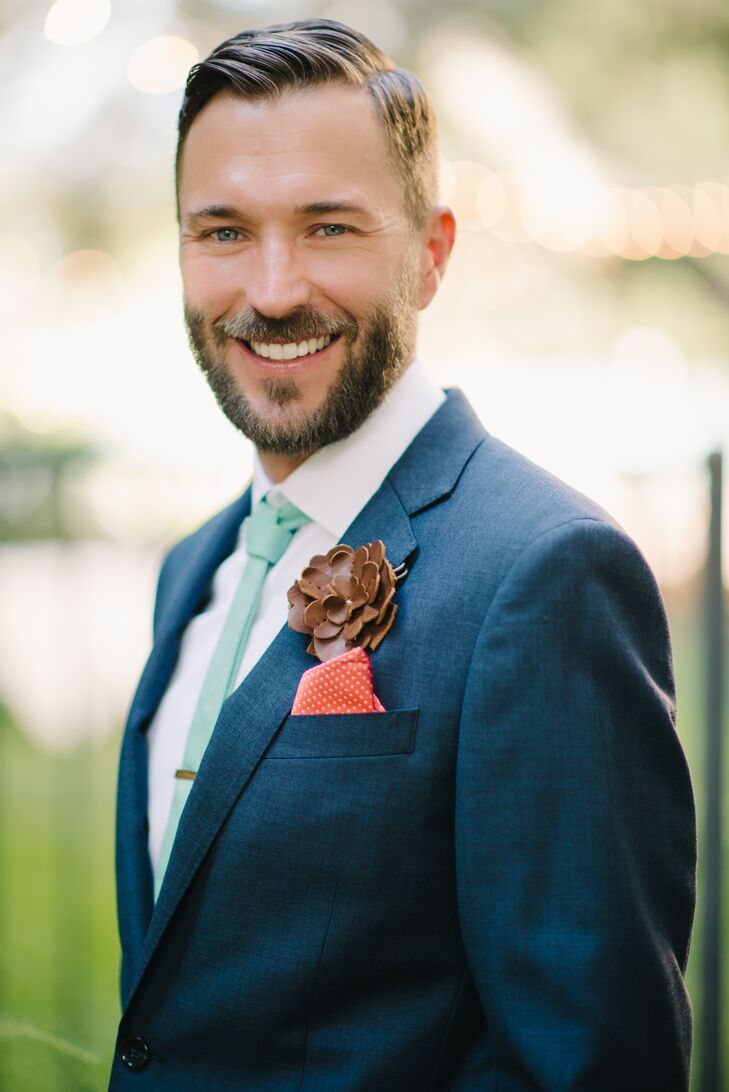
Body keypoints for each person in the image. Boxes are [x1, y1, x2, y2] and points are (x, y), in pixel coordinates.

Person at [109, 18, 696, 1091]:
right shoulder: (193, 570)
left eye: (328, 228)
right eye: (224, 231)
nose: (273, 290)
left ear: (430, 255)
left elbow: (591, 1062)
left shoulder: (548, 574)